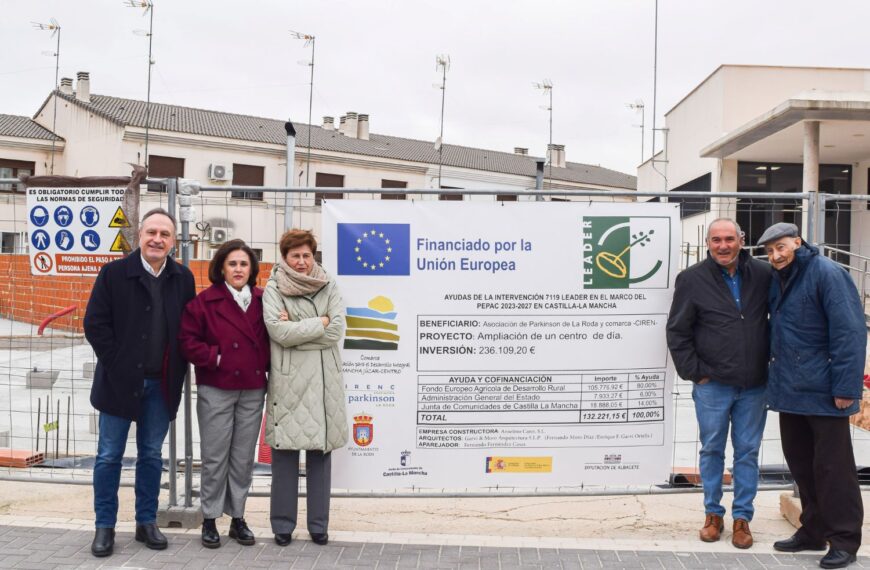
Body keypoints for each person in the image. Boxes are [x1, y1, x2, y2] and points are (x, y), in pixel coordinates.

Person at [84, 208, 196, 557]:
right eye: (151, 232)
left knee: (150, 456)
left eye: (164, 234)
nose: (157, 239)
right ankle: (105, 527)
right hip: (118, 382)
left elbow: (190, 328)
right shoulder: (114, 274)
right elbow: (95, 325)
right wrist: (118, 364)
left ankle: (146, 522)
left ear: (173, 241)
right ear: (140, 236)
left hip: (161, 385)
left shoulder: (183, 278)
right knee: (108, 456)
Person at [760, 222, 866, 570]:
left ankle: (845, 539)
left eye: (781, 247)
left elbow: (850, 333)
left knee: (834, 470)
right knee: (802, 465)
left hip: (824, 391)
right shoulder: (781, 278)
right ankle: (813, 530)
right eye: (770, 250)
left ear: (797, 241)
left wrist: (846, 389)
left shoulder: (827, 273)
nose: (775, 255)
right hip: (791, 390)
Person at [666, 218, 771, 549]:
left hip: (754, 383)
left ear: (741, 240)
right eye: (716, 240)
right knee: (712, 449)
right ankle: (713, 514)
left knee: (748, 452)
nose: (723, 245)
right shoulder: (692, 279)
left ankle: (743, 519)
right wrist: (696, 372)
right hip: (713, 384)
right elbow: (678, 331)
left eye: (729, 239)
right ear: (708, 243)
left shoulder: (764, 275)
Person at [179, 239, 269, 548]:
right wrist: (216, 358)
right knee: (215, 456)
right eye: (233, 264)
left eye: (244, 264)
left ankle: (238, 517)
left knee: (242, 458)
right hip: (216, 387)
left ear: (252, 269)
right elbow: (187, 341)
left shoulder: (263, 299)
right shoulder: (204, 302)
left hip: (253, 389)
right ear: (221, 268)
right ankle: (209, 517)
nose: (239, 269)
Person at [262, 229, 348, 546]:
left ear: (314, 256)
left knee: (320, 456)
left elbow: (336, 329)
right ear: (284, 258)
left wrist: (299, 327)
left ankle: (318, 525)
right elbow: (278, 332)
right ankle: (282, 525)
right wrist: (319, 322)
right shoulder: (273, 288)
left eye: (307, 255)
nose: (301, 262)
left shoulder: (329, 285)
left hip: (325, 380)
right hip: (289, 381)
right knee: (284, 453)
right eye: (295, 255)